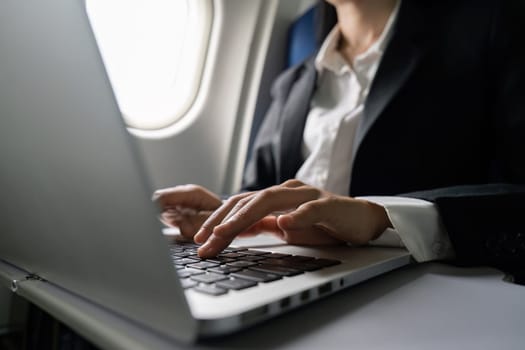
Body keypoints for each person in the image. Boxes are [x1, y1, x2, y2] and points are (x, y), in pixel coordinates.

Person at [155, 0, 525, 280]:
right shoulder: (293, 82)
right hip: (290, 266)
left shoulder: (491, 27)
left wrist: (382, 217)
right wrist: (221, 213)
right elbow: (266, 193)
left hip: (423, 277)